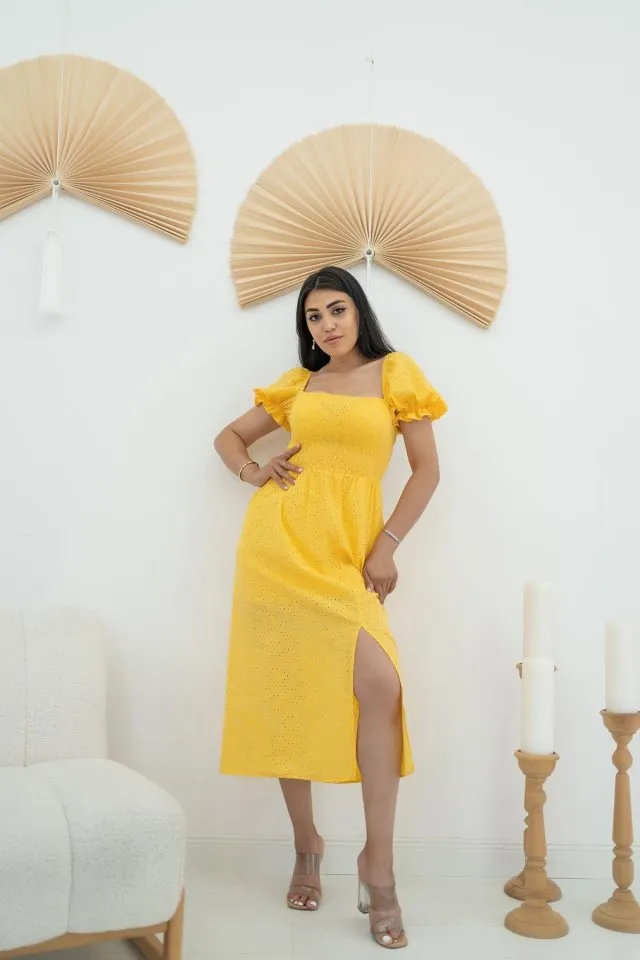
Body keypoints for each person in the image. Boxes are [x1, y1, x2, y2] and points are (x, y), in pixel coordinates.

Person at [214, 265, 446, 949]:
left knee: (380, 685)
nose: (327, 325)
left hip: (349, 556)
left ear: (358, 311)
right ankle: (306, 844)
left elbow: (428, 471)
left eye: (337, 310)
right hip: (278, 552)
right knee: (290, 693)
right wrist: (253, 471)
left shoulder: (395, 374)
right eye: (314, 317)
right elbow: (228, 437)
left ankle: (379, 863)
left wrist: (388, 545)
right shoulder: (300, 383)